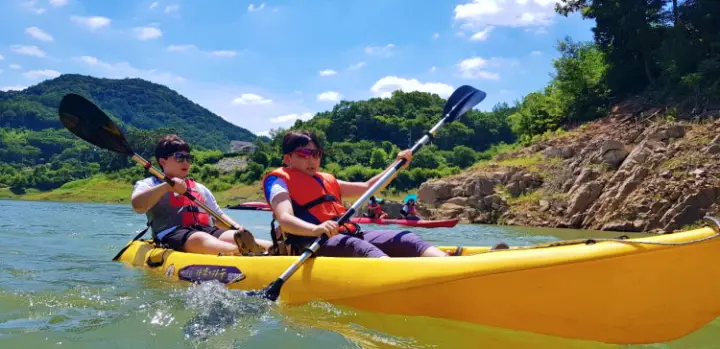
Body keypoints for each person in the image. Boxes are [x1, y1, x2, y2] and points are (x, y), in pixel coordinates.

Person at [262, 130, 451, 258]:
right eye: (304, 154)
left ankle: (448, 264)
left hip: (345, 237)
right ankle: (401, 274)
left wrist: (397, 165)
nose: (311, 159)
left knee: (407, 238)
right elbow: (285, 218)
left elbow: (368, 187)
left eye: (316, 154)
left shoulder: (326, 180)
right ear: (288, 158)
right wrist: (315, 229)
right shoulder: (279, 181)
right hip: (311, 242)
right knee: (357, 247)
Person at [130, 134, 272, 255]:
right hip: (172, 235)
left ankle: (273, 249)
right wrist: (166, 187)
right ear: (162, 161)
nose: (186, 162)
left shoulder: (199, 188)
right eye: (179, 157)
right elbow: (138, 206)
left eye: (188, 158)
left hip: (206, 230)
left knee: (235, 236)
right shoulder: (150, 184)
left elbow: (217, 215)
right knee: (200, 238)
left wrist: (239, 228)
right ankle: (242, 254)